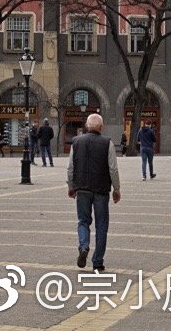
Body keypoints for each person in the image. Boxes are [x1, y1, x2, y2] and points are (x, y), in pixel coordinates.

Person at [67, 112, 121, 273]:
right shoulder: (107, 143)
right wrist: (116, 189)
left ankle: (84, 246)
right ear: (101, 127)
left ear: (86, 126)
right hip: (101, 190)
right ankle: (97, 261)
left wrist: (71, 186)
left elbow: (70, 167)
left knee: (83, 221)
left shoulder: (76, 142)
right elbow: (113, 168)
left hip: (82, 188)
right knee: (101, 225)